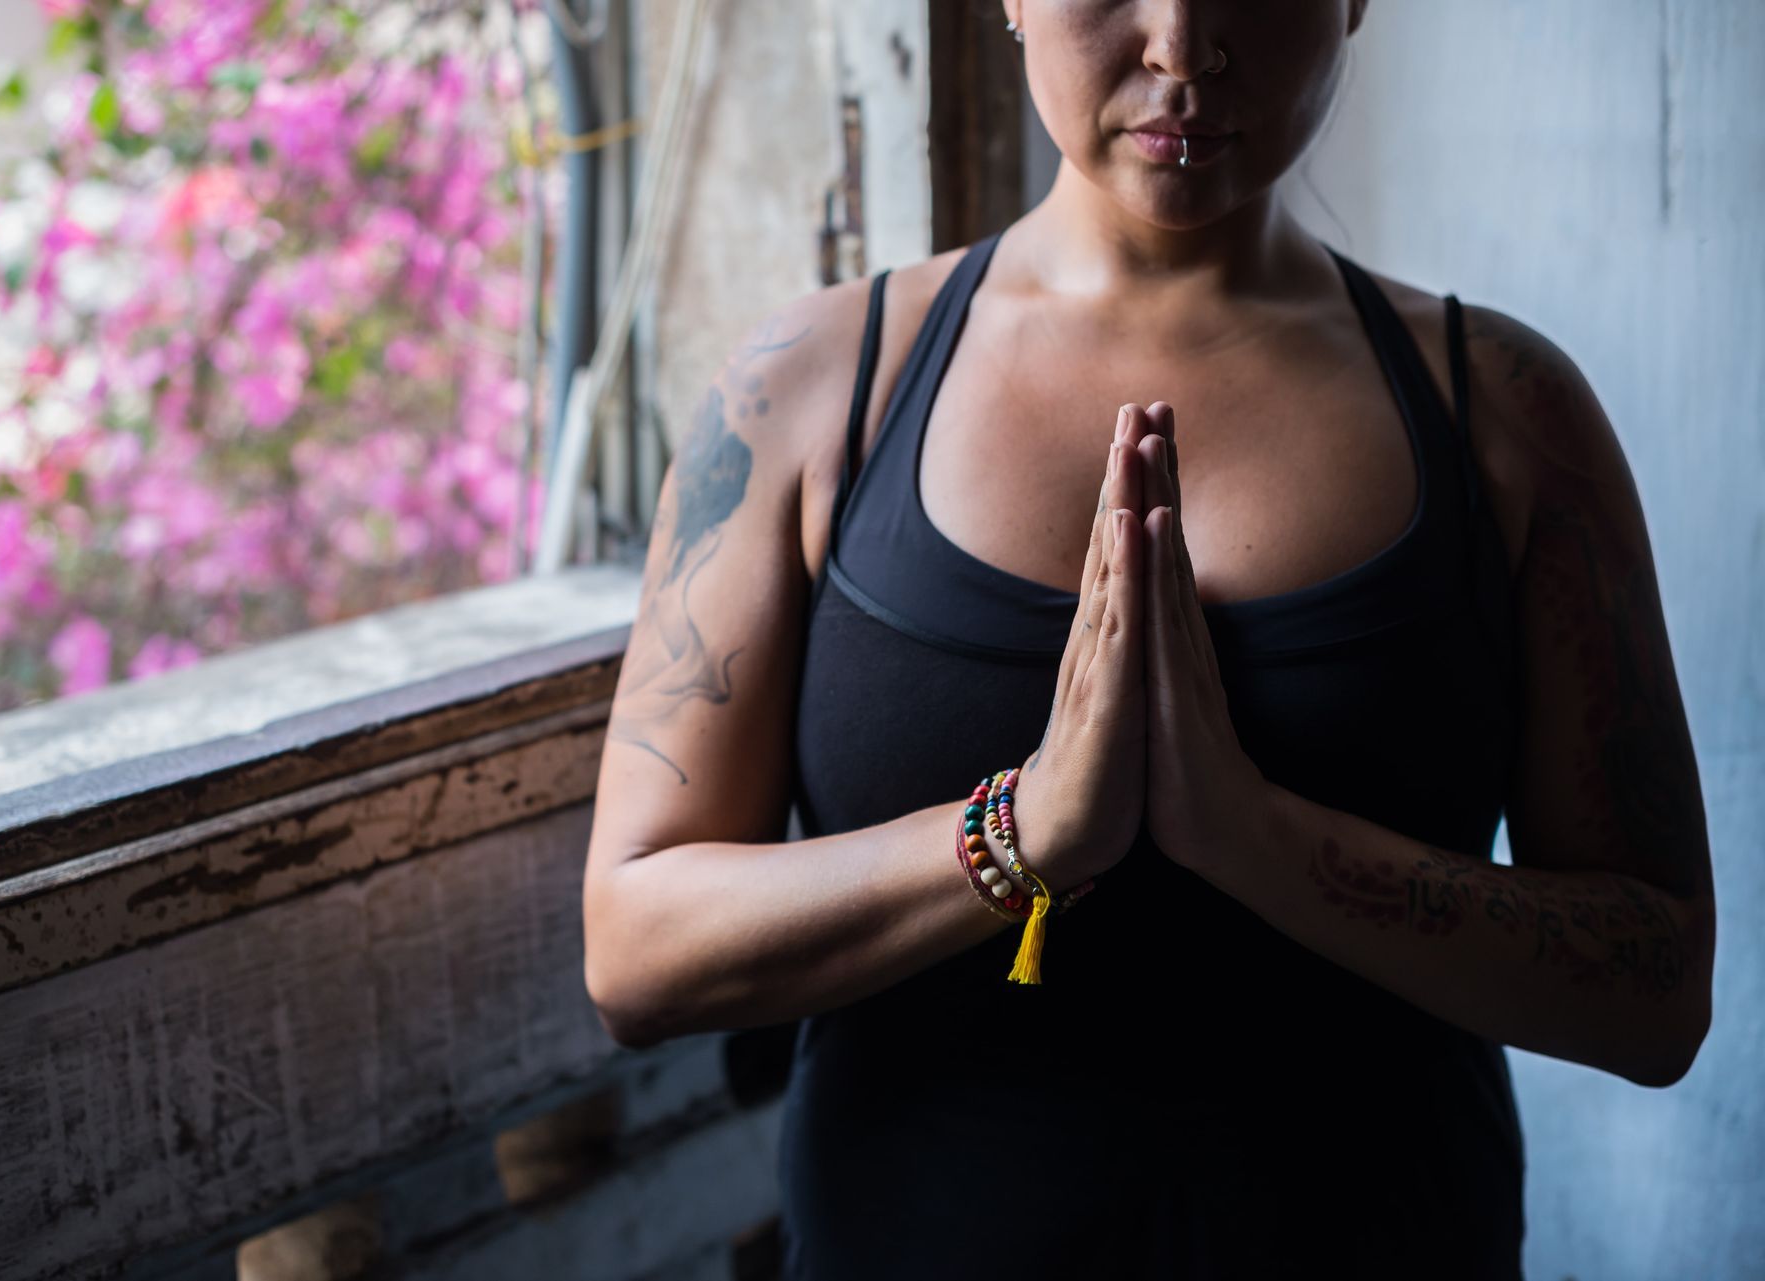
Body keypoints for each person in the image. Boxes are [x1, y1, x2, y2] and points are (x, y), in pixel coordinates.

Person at [580, 1, 1716, 1276]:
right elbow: (635, 951)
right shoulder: (807, 390)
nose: (1181, 45)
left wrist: (1257, 837)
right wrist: (1022, 839)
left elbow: (1656, 985)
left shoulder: (1508, 414)